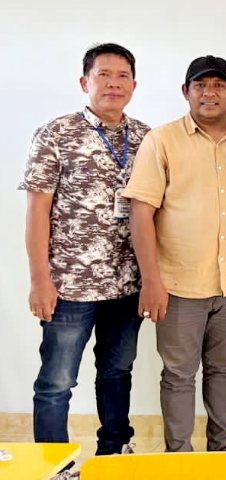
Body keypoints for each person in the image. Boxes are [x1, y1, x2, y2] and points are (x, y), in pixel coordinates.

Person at [20, 43, 149, 461]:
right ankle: (54, 463)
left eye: (122, 76)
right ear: (84, 82)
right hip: (69, 286)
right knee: (56, 382)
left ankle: (113, 453)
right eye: (103, 75)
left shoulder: (146, 138)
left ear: (133, 85)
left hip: (127, 283)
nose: (114, 84)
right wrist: (39, 280)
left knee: (117, 373)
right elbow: (37, 211)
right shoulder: (56, 133)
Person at [123, 55, 226, 453]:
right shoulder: (161, 140)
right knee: (179, 375)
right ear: (186, 91)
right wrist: (151, 281)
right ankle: (179, 454)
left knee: (224, 369)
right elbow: (141, 213)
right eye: (200, 85)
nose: (209, 93)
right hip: (178, 284)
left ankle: (224, 447)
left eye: (219, 85)